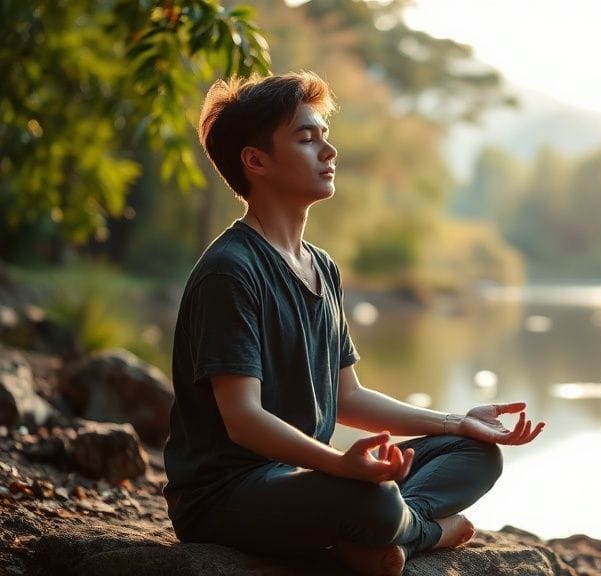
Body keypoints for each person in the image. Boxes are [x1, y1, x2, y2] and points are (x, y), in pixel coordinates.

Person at [162, 71, 544, 576]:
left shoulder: (322, 267)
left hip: (301, 479)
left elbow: (348, 398)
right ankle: (425, 531)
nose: (329, 151)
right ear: (255, 161)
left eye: (325, 135)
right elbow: (243, 418)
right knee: (376, 501)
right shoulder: (231, 270)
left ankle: (388, 537)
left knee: (475, 453)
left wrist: (456, 422)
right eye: (306, 138)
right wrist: (340, 466)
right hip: (227, 497)